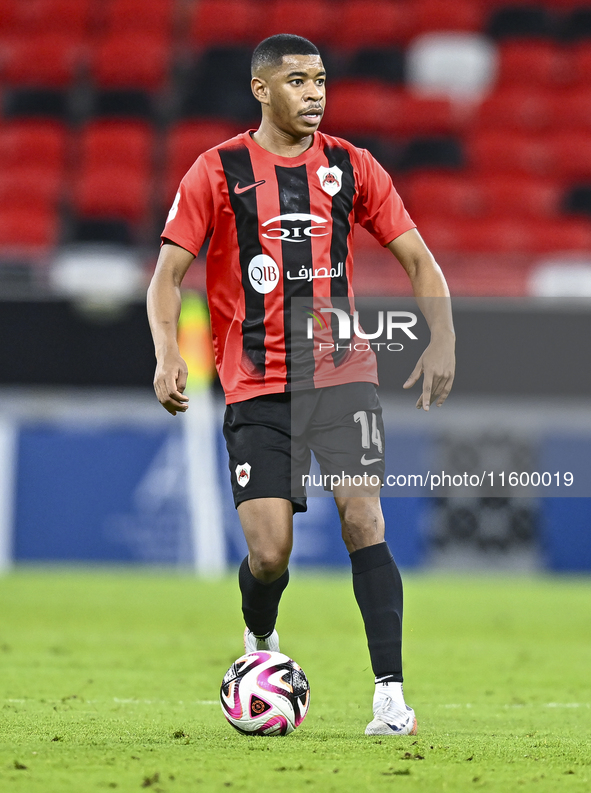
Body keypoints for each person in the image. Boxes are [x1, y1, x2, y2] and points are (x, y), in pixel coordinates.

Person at [147, 33, 455, 736]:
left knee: (363, 518)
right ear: (261, 89)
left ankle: (389, 694)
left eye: (320, 79)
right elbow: (166, 276)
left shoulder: (351, 166)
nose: (314, 92)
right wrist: (167, 352)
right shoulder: (216, 170)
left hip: (342, 373)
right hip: (254, 381)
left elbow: (419, 259)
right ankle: (260, 640)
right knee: (268, 553)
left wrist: (443, 336)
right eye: (297, 81)